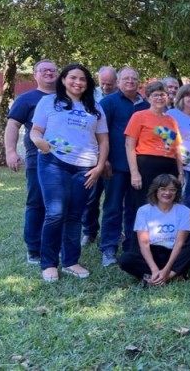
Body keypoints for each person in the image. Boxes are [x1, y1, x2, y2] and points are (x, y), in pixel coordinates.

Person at [30, 63, 109, 281]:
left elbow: (103, 141)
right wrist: (40, 142)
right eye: (73, 78)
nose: (78, 82)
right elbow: (36, 131)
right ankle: (48, 263)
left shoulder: (95, 107)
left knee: (75, 216)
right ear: (63, 80)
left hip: (85, 167)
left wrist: (100, 166)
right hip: (53, 163)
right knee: (55, 213)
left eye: (82, 79)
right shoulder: (49, 102)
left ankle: (71, 262)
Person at [5, 59, 58, 264]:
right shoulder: (27, 99)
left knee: (60, 205)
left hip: (66, 160)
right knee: (37, 202)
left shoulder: (67, 97)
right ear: (35, 74)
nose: (48, 73)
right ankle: (34, 248)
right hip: (38, 158)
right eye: (43, 70)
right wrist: (10, 152)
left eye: (52, 70)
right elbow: (12, 125)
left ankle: (55, 245)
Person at [96, 66, 149, 265]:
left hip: (140, 167)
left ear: (139, 82)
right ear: (118, 82)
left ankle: (131, 247)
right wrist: (104, 160)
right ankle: (109, 248)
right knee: (112, 206)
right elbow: (99, 134)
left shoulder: (145, 104)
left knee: (135, 209)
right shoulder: (108, 102)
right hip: (115, 166)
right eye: (125, 78)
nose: (130, 81)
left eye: (134, 78)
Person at [118, 174, 190, 285]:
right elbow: (143, 244)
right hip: (152, 252)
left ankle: (167, 277)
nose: (167, 193)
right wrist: (154, 269)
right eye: (163, 189)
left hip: (173, 252)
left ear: (177, 192)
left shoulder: (184, 210)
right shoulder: (144, 210)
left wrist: (167, 271)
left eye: (172, 190)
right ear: (156, 191)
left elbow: (180, 243)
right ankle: (166, 274)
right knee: (125, 260)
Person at [125, 81, 184, 215]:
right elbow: (129, 145)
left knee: (167, 205)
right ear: (148, 97)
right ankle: (141, 235)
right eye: (155, 95)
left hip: (169, 167)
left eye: (162, 95)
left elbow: (177, 149)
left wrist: (181, 173)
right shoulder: (139, 116)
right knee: (144, 205)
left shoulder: (172, 120)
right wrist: (134, 172)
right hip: (146, 167)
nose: (159, 98)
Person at [83, 65, 119, 247]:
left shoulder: (123, 99)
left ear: (117, 82)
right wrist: (100, 159)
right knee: (91, 198)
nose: (106, 87)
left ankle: (114, 233)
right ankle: (89, 232)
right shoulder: (89, 97)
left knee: (114, 201)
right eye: (103, 83)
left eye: (110, 84)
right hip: (93, 157)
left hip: (118, 160)